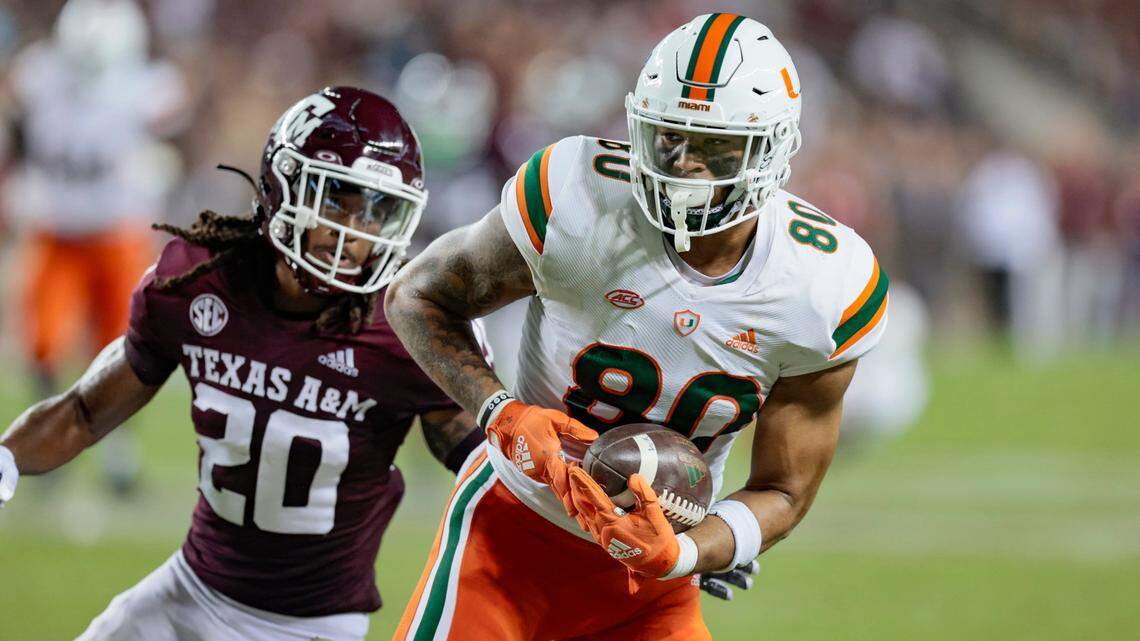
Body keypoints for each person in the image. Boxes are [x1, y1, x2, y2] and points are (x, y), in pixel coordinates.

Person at [385, 14, 888, 640]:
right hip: (512, 534)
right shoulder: (577, 196)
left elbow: (783, 491)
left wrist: (690, 552)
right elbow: (416, 296)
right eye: (669, 139)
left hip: (654, 587)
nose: (685, 165)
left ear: (772, 148)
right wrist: (502, 415)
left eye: (714, 147)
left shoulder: (822, 286)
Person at [0, 86, 486, 641]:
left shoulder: (406, 326)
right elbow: (83, 414)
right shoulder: (200, 283)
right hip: (187, 591)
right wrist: (5, 460)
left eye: (378, 211)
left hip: (311, 628)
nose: (355, 233)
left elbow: (483, 461)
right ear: (282, 187)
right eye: (336, 200)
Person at [3, 0, 187, 494]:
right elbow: (18, 136)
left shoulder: (148, 87)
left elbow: (177, 135)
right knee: (43, 342)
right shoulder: (38, 76)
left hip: (117, 231)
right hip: (55, 226)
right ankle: (43, 445)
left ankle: (118, 455)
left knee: (123, 346)